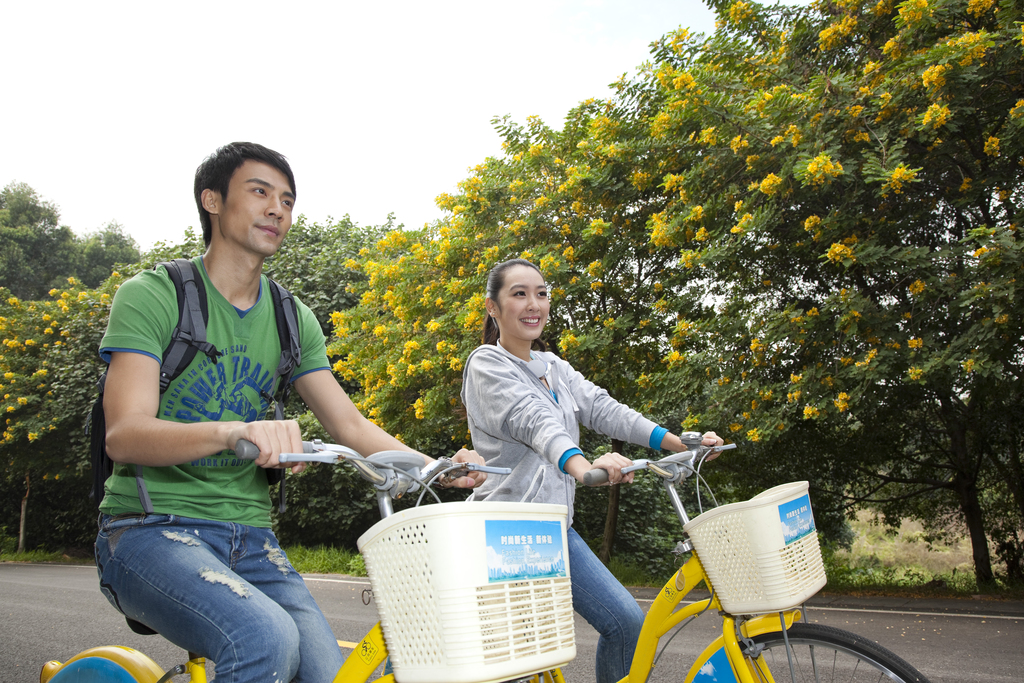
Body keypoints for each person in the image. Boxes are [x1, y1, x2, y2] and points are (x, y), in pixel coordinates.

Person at [94, 142, 483, 683]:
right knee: (262, 637)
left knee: (331, 675)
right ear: (211, 200)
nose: (277, 208)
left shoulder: (290, 317)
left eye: (287, 199)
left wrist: (435, 466)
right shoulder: (155, 296)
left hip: (250, 538)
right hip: (148, 529)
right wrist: (235, 432)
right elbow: (125, 434)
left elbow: (348, 425)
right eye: (259, 192)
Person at [460, 258, 724, 683]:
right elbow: (535, 423)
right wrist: (584, 467)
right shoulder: (488, 364)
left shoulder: (553, 367)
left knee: (626, 624)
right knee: (517, 664)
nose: (534, 304)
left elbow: (604, 409)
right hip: (505, 535)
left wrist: (681, 444)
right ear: (493, 307)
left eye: (541, 294)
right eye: (519, 294)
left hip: (553, 530)